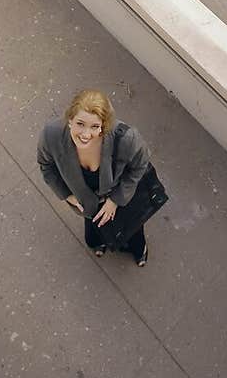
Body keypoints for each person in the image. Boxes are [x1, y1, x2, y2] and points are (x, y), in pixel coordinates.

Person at [37, 89, 151, 266]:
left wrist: (115, 200)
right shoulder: (51, 136)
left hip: (118, 198)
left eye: (94, 127)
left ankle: (139, 250)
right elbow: (46, 165)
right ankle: (100, 243)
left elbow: (140, 166)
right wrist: (67, 195)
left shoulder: (126, 138)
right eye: (80, 124)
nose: (85, 134)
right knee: (92, 237)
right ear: (69, 121)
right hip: (86, 204)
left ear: (103, 126)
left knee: (132, 230)